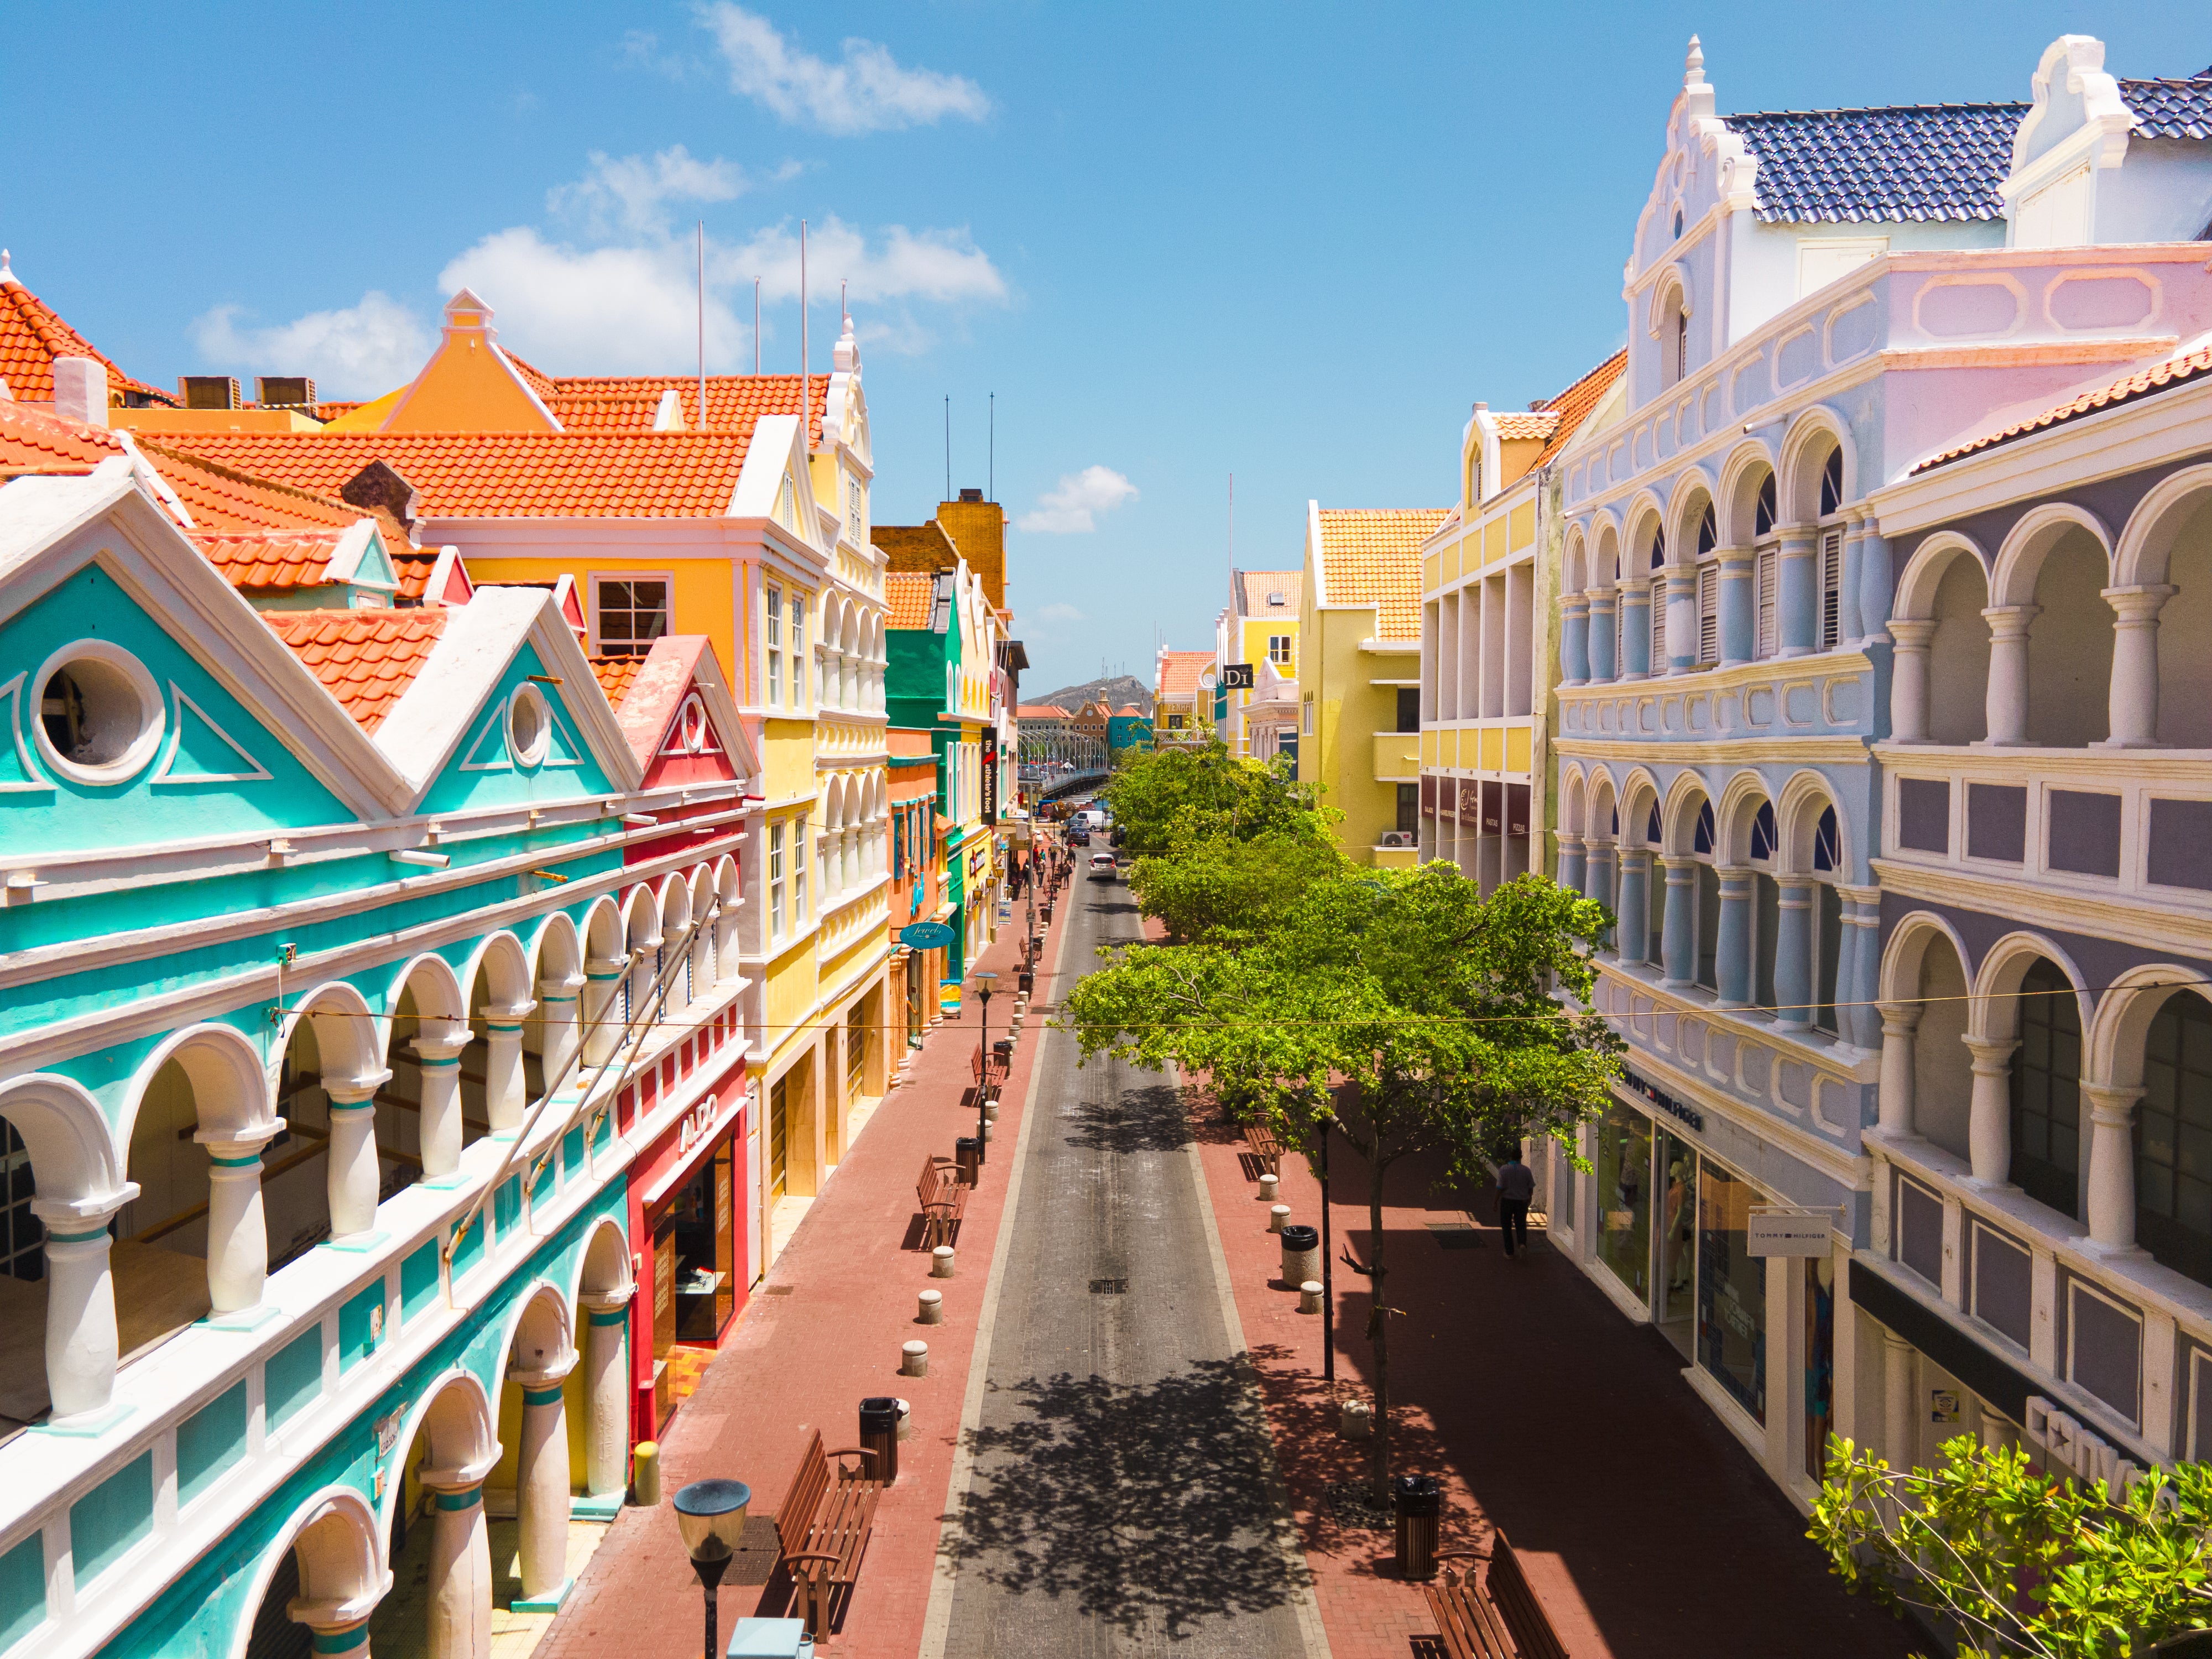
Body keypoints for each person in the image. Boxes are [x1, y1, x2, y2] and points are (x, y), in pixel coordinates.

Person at [1496, 1149, 1535, 1259]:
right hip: (1521, 1202)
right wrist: (1529, 1199)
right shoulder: (1526, 1170)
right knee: (1521, 1224)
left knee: (1506, 1226)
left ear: (1510, 1157)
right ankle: (1522, 1243)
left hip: (1507, 1201)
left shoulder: (1504, 1170)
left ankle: (1510, 1252)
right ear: (1521, 1157)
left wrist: (1495, 1202)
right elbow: (1530, 1187)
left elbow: (1500, 1188)